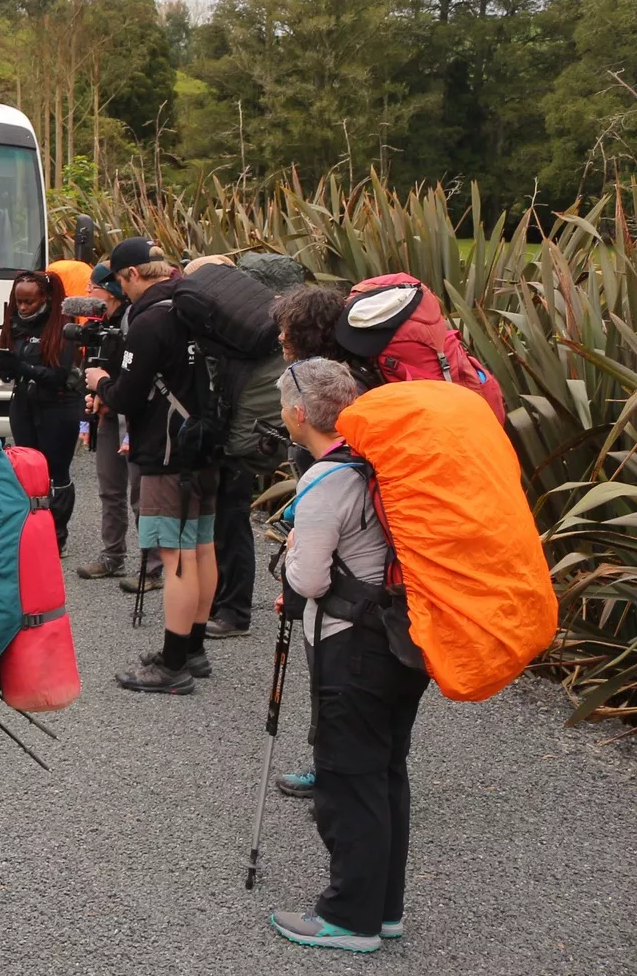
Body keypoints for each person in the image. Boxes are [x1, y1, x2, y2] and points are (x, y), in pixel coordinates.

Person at [271, 356, 425, 954]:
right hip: (404, 639)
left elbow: (308, 581)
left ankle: (349, 918)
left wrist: (287, 558)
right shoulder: (385, 465)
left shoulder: (326, 479)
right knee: (385, 773)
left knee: (347, 778)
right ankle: (383, 908)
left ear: (298, 413)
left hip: (350, 644)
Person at [89, 236, 218, 694]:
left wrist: (101, 381)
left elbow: (126, 395)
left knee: (176, 556)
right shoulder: (190, 309)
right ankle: (192, 650)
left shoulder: (148, 321)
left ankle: (173, 666)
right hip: (204, 443)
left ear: (131, 275)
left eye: (120, 281)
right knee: (201, 548)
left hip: (166, 452)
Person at [269, 284, 373, 800]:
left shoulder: (315, 389)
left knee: (332, 670)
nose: (281, 335)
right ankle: (355, 767)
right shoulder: (356, 384)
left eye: (288, 327)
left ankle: (334, 770)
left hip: (345, 597)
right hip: (376, 583)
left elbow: (315, 568)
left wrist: (298, 575)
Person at [74, 262, 158, 588]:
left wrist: (110, 391)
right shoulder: (100, 323)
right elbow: (91, 369)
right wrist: (94, 397)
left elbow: (137, 375)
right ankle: (113, 555)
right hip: (107, 413)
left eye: (92, 287)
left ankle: (151, 566)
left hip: (135, 416)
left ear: (110, 289)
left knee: (141, 493)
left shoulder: (135, 320)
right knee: (110, 489)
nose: (86, 293)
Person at [0, 270, 84, 549]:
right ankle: (29, 528)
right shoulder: (15, 325)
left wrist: (24, 368)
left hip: (58, 404)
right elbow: (12, 373)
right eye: (18, 302)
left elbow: (59, 374)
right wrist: (5, 367)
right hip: (24, 403)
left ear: (45, 298)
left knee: (55, 471)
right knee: (26, 469)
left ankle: (56, 535)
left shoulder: (63, 326)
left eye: (29, 302)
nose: (22, 307)